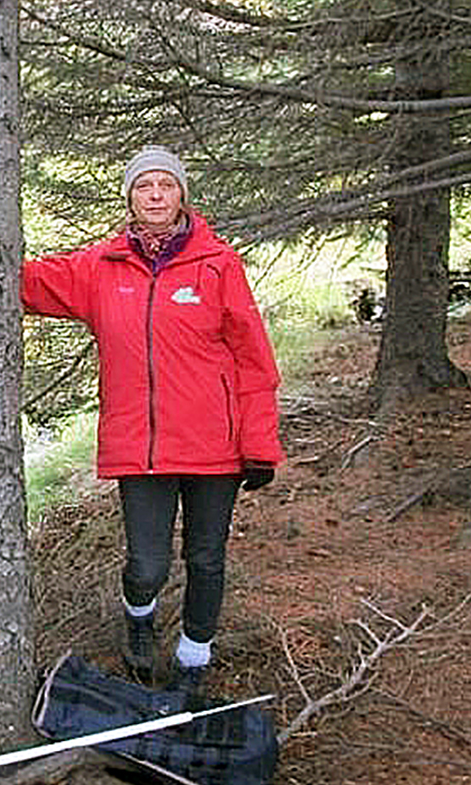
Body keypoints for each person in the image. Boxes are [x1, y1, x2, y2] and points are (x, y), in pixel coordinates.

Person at [22, 146, 283, 700]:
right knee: (146, 564)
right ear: (131, 198)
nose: (157, 196)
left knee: (207, 557)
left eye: (166, 185)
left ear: (182, 195)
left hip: (215, 446)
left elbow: (253, 358)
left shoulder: (218, 265)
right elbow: (29, 283)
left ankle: (193, 658)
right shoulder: (101, 267)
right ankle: (139, 617)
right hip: (139, 448)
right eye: (145, 187)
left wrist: (259, 442)